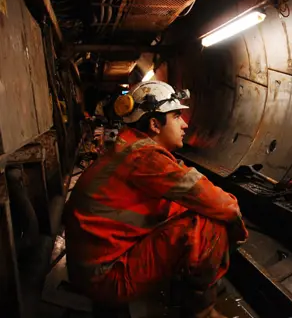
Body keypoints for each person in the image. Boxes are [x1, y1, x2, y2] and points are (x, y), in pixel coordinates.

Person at [64, 80, 248, 318]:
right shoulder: (144, 158)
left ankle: (183, 289)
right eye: (176, 117)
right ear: (154, 124)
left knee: (184, 210)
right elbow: (223, 206)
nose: (184, 124)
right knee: (208, 226)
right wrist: (236, 232)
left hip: (88, 270)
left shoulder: (129, 148)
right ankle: (203, 310)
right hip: (106, 279)